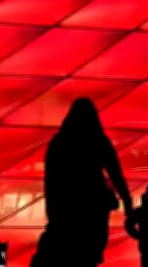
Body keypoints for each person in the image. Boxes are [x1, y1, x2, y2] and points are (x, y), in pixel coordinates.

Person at [40, 98, 133, 267]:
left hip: (67, 211)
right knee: (89, 256)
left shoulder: (59, 143)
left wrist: (53, 213)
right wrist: (126, 200)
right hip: (93, 208)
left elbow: (51, 182)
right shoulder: (97, 139)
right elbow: (115, 172)